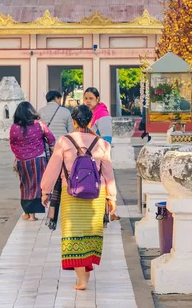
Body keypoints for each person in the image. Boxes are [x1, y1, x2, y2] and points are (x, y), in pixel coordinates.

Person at [41, 105, 117, 290]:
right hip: (95, 197)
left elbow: (53, 168)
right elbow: (107, 172)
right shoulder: (102, 143)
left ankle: (82, 278)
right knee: (91, 235)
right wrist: (112, 198)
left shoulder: (64, 141)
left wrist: (45, 190)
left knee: (73, 236)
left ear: (73, 121)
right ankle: (85, 274)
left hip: (71, 195)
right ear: (91, 121)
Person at [10, 101, 55, 221]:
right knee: (37, 185)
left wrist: (20, 154)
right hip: (38, 160)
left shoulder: (14, 128)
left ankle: (27, 212)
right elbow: (51, 138)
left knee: (25, 185)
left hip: (22, 161)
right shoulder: (39, 124)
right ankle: (33, 215)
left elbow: (12, 143)